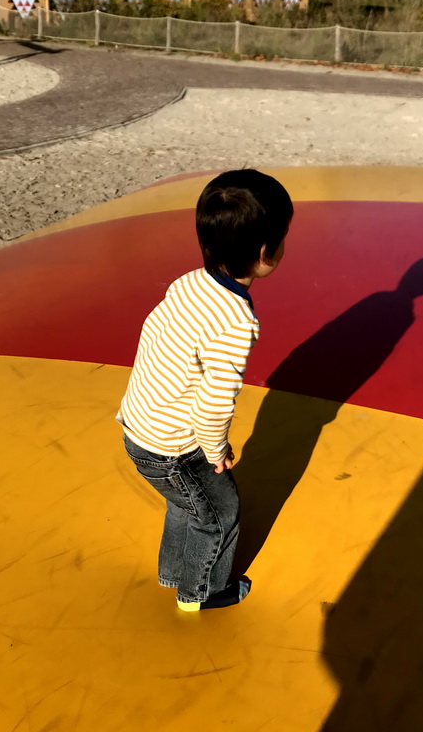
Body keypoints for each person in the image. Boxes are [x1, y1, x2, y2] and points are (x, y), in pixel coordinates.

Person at [117, 169, 293, 612]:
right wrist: (215, 452)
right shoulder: (234, 320)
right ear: (265, 253)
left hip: (140, 428)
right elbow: (215, 403)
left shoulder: (189, 283)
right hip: (175, 446)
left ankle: (172, 572)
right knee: (219, 516)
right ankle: (202, 593)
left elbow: (154, 338)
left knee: (186, 505)